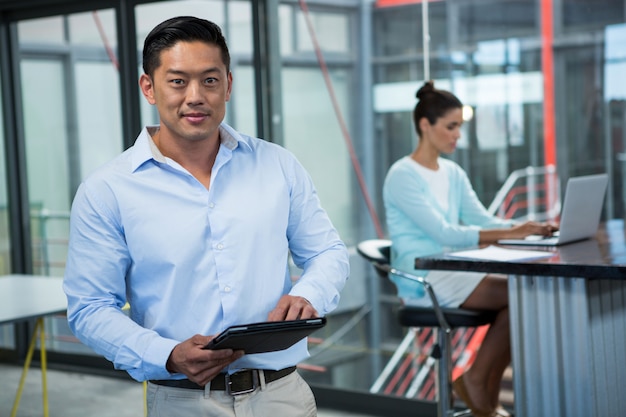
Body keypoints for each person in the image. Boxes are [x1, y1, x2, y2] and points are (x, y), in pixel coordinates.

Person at [63, 16, 349, 417]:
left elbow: (328, 252)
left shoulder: (277, 165)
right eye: (178, 81)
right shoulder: (107, 190)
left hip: (282, 395)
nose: (195, 96)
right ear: (149, 87)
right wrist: (168, 354)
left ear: (228, 85)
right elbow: (91, 307)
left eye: (210, 80)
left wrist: (309, 294)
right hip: (180, 401)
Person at [382, 81, 557, 417]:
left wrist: (529, 228)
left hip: (451, 270)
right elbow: (443, 231)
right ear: (425, 125)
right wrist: (514, 232)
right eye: (451, 126)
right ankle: (478, 387)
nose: (457, 135)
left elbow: (481, 218)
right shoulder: (402, 175)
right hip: (423, 277)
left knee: (521, 298)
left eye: (459, 126)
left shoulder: (453, 172)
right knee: (519, 294)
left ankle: (481, 391)